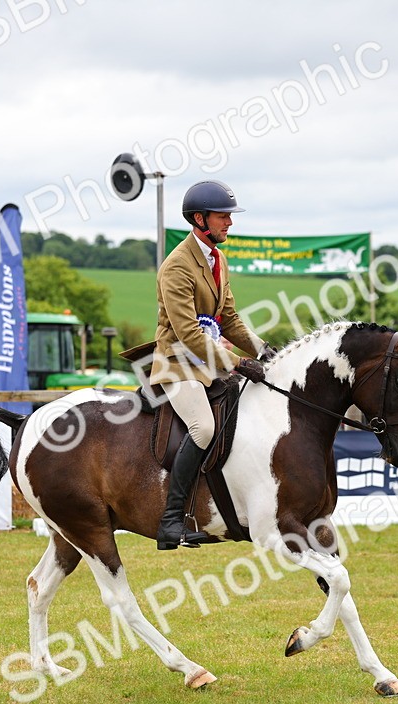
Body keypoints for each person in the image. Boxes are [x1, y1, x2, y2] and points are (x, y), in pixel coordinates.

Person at [150, 180, 273, 550]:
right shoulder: (176, 267)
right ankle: (171, 521)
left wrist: (265, 351)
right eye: (223, 217)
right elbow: (187, 333)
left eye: (229, 217)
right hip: (177, 363)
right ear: (200, 218)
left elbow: (230, 318)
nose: (229, 224)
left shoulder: (218, 259)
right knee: (203, 428)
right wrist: (238, 361)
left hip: (211, 363)